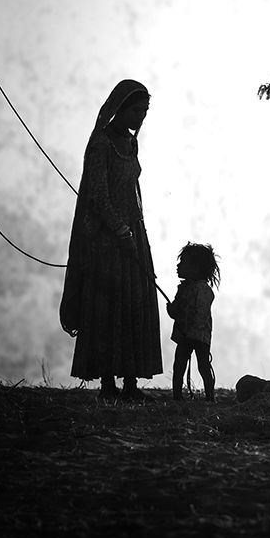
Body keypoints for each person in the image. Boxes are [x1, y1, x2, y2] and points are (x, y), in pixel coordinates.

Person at [60, 79, 162, 401]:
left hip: (133, 235)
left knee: (133, 303)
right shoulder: (100, 144)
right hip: (106, 241)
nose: (141, 117)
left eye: (145, 111)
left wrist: (134, 231)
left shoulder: (130, 144)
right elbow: (99, 195)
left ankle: (131, 383)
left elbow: (133, 191)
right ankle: (107, 383)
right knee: (107, 306)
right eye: (136, 110)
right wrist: (119, 231)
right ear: (120, 108)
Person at [166, 242, 220, 402]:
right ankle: (177, 396)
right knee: (181, 364)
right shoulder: (183, 289)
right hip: (190, 335)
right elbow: (176, 312)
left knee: (201, 365)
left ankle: (210, 397)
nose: (178, 266)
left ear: (196, 268)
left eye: (183, 263)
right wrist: (172, 310)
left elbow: (200, 313)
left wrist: (185, 324)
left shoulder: (202, 289)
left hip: (196, 335)